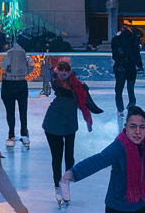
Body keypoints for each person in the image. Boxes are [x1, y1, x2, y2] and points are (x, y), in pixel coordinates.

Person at [42, 56, 103, 204]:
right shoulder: (55, 81)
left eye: (66, 70)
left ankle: (65, 183)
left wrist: (89, 118)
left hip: (69, 123)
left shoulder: (76, 84)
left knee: (69, 156)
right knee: (57, 157)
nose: (63, 73)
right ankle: (57, 185)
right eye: (61, 70)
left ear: (70, 71)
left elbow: (85, 102)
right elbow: (56, 86)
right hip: (53, 123)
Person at [0, 41, 32, 149]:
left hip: (8, 84)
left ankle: (11, 134)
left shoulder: (8, 56)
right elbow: (30, 68)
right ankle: (24, 132)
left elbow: (3, 66)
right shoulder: (25, 56)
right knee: (23, 110)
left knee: (10, 111)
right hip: (21, 83)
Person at [111, 22, 143, 115]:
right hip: (131, 67)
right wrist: (139, 65)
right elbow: (136, 54)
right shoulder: (133, 39)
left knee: (119, 89)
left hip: (120, 67)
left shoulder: (116, 40)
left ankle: (120, 109)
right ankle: (131, 105)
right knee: (130, 88)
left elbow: (115, 55)